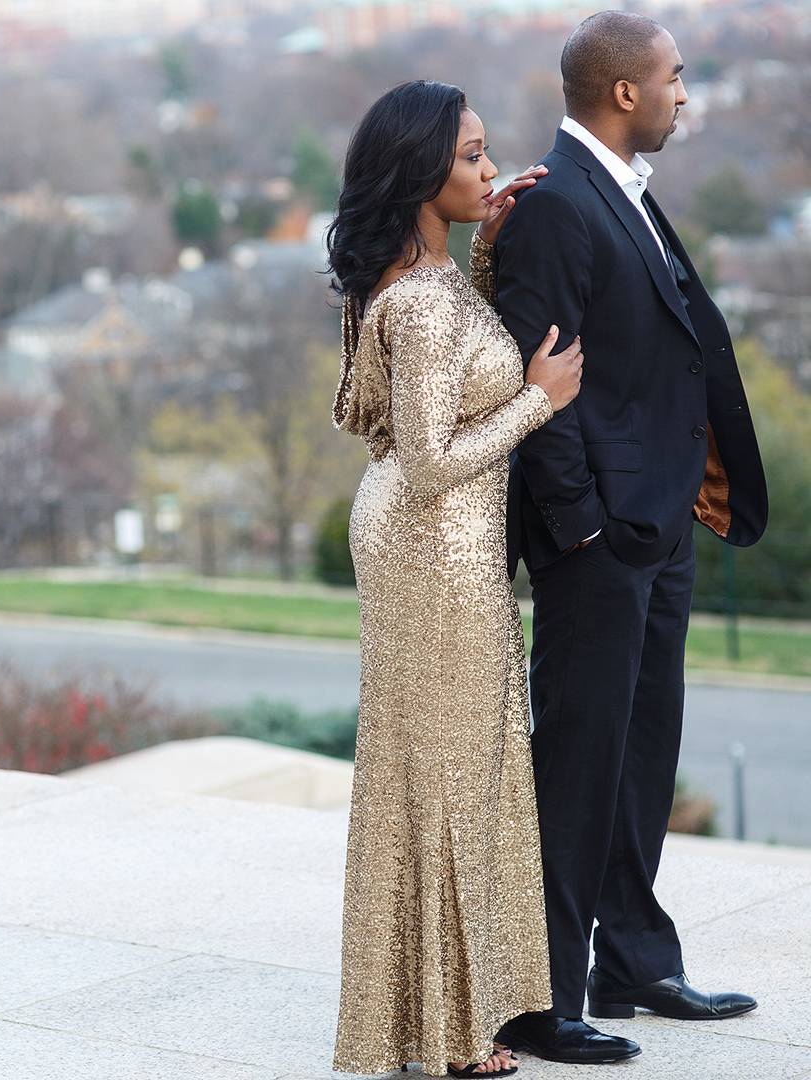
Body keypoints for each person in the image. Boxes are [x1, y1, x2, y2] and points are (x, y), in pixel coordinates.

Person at [493, 11, 768, 1066]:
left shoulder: (623, 196)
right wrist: (582, 532)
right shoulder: (559, 207)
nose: (684, 95)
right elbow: (542, 385)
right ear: (622, 93)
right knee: (576, 764)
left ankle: (635, 961)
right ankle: (542, 998)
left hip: (663, 527)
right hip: (602, 544)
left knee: (643, 755)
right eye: (675, 79)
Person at [327, 79, 583, 1078]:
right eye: (472, 155)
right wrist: (537, 400)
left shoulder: (419, 278)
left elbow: (394, 404)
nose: (489, 167)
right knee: (443, 777)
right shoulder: (419, 304)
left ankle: (435, 1020)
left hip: (436, 537)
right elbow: (431, 458)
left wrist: (482, 248)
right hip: (432, 540)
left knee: (452, 769)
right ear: (422, 170)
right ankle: (447, 1034)